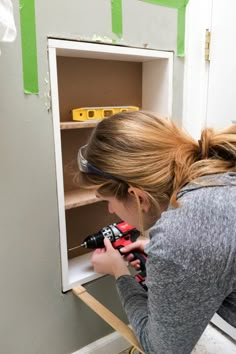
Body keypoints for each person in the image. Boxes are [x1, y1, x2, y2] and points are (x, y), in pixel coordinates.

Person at [77, 111, 236, 354]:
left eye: (106, 200)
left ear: (138, 197)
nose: (110, 210)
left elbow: (162, 350)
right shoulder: (216, 174)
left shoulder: (181, 236)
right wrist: (168, 258)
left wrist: (119, 272)